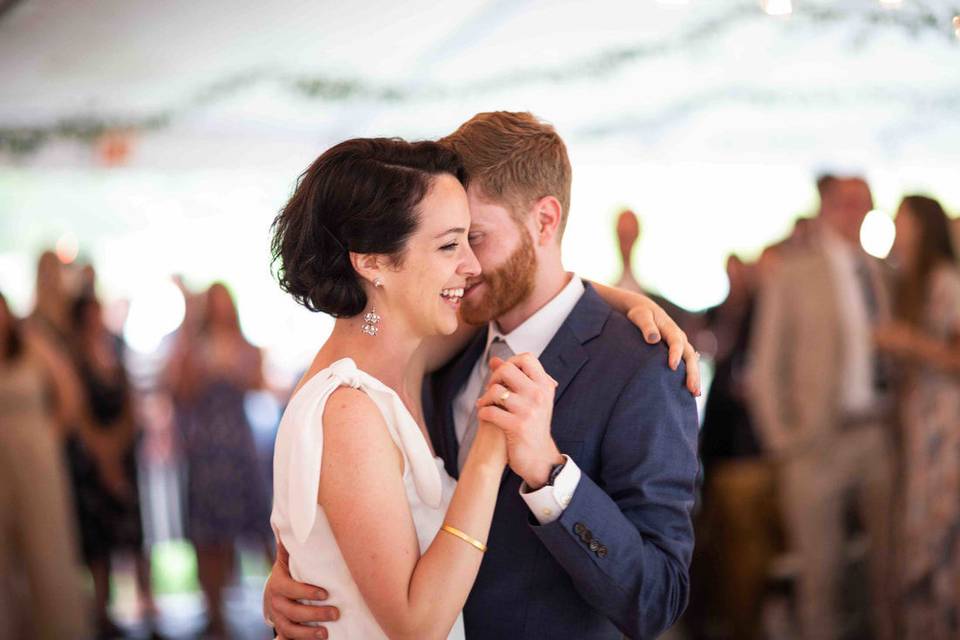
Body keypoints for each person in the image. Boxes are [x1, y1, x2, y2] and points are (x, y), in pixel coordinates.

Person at [266, 112, 701, 640]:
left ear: (544, 221)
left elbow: (658, 600)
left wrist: (550, 476)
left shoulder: (641, 368)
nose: (468, 264)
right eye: (451, 243)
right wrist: (313, 567)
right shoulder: (441, 340)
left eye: (474, 237)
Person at [748, 176, 895, 640]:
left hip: (877, 435)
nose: (855, 213)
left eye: (863, 204)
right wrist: (783, 441)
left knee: (889, 572)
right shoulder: (794, 272)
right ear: (827, 207)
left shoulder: (882, 271)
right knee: (820, 577)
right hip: (815, 444)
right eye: (847, 203)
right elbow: (765, 366)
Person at [163, 282, 273, 638]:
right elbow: (179, 392)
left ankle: (281, 607)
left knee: (260, 527)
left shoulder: (245, 346)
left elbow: (259, 384)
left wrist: (235, 368)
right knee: (209, 535)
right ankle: (215, 614)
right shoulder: (192, 348)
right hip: (206, 450)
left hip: (239, 449)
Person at [874, 195, 960, 639]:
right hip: (916, 426)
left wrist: (909, 343)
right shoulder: (908, 283)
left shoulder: (946, 282)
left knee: (940, 537)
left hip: (944, 429)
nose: (895, 226)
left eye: (901, 220)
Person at [0, 291, 90, 639]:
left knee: (47, 545)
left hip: (36, 458)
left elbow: (70, 395)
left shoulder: (33, 346)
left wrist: (47, 436)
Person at [69, 294, 160, 638]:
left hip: (124, 456)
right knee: (100, 541)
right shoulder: (75, 358)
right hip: (92, 462)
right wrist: (104, 456)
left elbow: (130, 404)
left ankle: (148, 608)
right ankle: (103, 614)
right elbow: (79, 413)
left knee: (136, 536)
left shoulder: (116, 349)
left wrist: (119, 445)